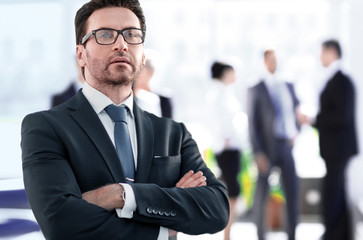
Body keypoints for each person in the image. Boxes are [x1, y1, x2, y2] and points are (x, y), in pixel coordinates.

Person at [20, 0, 229, 239]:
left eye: (132, 35)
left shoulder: (173, 133)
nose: (121, 44)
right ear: (81, 55)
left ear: (142, 55)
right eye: (105, 35)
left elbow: (217, 209)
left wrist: (120, 194)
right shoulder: (46, 128)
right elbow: (60, 223)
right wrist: (165, 224)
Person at [247, 49, 300, 240]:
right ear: (264, 61)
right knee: (262, 194)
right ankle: (261, 235)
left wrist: (296, 132)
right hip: (267, 148)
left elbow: (296, 111)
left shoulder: (288, 84)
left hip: (286, 144)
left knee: (293, 191)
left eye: (276, 59)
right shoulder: (256, 87)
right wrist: (258, 152)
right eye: (269, 59)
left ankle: (292, 234)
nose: (273, 62)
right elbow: (252, 124)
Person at [315, 39, 358, 240]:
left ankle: (333, 234)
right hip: (335, 149)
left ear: (332, 52)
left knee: (334, 192)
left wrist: (315, 119)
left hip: (339, 149)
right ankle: (341, 234)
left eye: (322, 52)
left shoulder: (342, 81)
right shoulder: (334, 79)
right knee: (338, 192)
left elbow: (342, 116)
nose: (320, 57)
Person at [204, 62, 243, 240]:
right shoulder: (218, 94)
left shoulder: (225, 92)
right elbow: (216, 122)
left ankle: (228, 233)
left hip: (231, 148)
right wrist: (224, 139)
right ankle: (226, 234)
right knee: (232, 191)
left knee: (233, 190)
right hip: (226, 149)